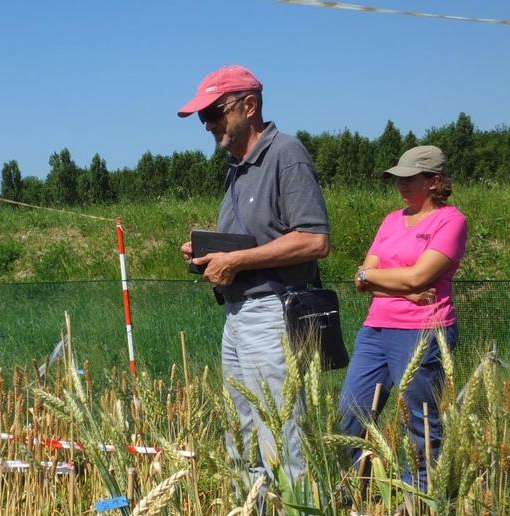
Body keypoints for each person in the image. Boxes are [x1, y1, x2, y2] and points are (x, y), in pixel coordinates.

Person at [178, 65, 330, 488]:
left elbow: (315, 240)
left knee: (282, 441)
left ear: (250, 105)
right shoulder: (236, 167)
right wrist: (208, 255)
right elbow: (250, 241)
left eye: (215, 113)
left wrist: (238, 261)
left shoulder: (286, 154)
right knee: (241, 439)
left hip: (273, 313)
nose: (208, 125)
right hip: (238, 314)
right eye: (204, 117)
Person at [339, 146, 466, 490]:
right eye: (399, 179)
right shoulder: (391, 220)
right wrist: (401, 287)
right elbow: (361, 278)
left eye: (411, 178)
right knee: (351, 412)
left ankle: (420, 502)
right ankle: (353, 496)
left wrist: (384, 280)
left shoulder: (451, 221)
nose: (402, 185)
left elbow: (418, 278)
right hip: (375, 329)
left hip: (422, 332)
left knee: (421, 422)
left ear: (434, 181)